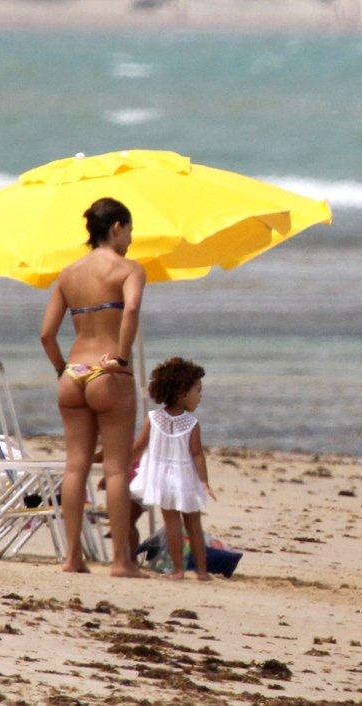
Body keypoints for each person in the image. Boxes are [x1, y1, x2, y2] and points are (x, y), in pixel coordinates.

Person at [40, 197, 146, 578]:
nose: (132, 239)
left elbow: (46, 334)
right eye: (130, 230)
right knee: (116, 470)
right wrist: (120, 354)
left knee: (75, 467)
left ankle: (72, 558)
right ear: (116, 227)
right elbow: (130, 310)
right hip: (108, 372)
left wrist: (60, 370)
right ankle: (121, 562)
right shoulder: (129, 269)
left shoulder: (68, 274)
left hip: (73, 372)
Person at [129, 357, 217, 581]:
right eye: (197, 391)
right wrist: (204, 481)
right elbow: (197, 454)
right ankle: (202, 571)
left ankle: (178, 570)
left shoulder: (153, 418)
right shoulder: (191, 423)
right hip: (185, 479)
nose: (200, 396)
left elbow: (139, 446)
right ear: (182, 392)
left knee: (172, 525)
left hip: (161, 480)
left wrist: (122, 463)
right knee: (194, 524)